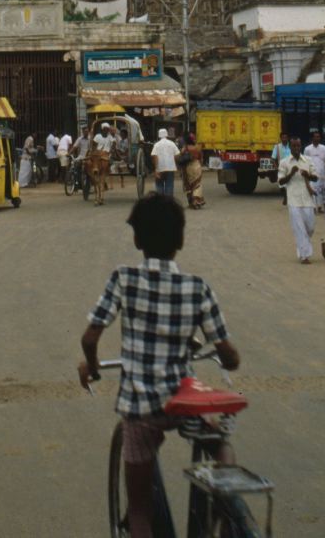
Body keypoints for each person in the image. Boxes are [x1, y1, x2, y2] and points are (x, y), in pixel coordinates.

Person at [77, 194, 240, 538]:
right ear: (180, 240)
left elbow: (90, 339)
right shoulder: (198, 288)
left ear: (137, 239)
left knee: (139, 511)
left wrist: (91, 368)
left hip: (141, 407)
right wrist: (226, 357)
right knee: (219, 440)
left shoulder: (123, 279)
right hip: (185, 401)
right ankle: (229, 507)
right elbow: (229, 355)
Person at [278, 136, 318, 263]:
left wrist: (308, 175)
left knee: (310, 227)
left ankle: (303, 247)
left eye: (298, 146)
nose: (296, 148)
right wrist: (290, 174)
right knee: (299, 228)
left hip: (307, 199)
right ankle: (304, 255)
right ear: (290, 147)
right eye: (294, 146)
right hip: (293, 200)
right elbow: (280, 181)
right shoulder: (284, 162)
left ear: (301, 146)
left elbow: (316, 177)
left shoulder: (307, 160)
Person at [302, 131, 325, 212]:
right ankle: (313, 207)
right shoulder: (307, 149)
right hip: (312, 173)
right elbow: (305, 161)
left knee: (321, 190)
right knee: (313, 189)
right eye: (315, 137)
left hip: (322, 173)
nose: (317, 138)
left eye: (318, 137)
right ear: (312, 138)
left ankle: (320, 207)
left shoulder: (324, 148)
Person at [178, 132, 205, 209]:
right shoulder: (197, 147)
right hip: (196, 165)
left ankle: (190, 201)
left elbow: (180, 156)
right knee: (197, 184)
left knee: (189, 184)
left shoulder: (186, 148)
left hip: (187, 167)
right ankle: (196, 201)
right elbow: (201, 158)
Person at [151, 128, 179, 197]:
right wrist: (173, 162)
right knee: (169, 185)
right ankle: (168, 202)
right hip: (170, 168)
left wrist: (156, 168)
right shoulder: (172, 143)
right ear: (167, 135)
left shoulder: (157, 145)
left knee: (159, 185)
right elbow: (177, 154)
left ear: (159, 136)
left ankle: (160, 202)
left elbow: (154, 155)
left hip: (160, 168)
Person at [272, 131, 291, 205]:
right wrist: (276, 167)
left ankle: (288, 197)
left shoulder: (291, 146)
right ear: (280, 138)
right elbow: (273, 159)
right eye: (283, 137)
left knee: (290, 183)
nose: (284, 139)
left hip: (290, 167)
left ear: (288, 138)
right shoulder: (277, 147)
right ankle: (285, 195)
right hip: (281, 168)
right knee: (281, 184)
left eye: (286, 137)